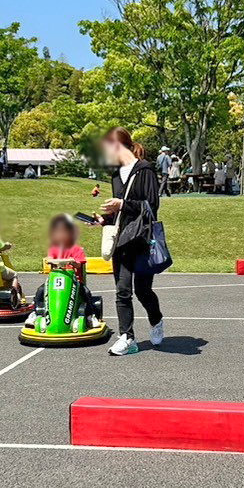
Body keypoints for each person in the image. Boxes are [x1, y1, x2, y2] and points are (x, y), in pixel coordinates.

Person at [98, 127, 165, 356]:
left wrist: (122, 205)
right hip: (123, 238)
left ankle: (156, 320)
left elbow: (151, 206)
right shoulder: (116, 174)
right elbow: (119, 210)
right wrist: (103, 218)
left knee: (143, 290)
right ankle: (127, 337)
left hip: (143, 237)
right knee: (122, 290)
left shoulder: (144, 170)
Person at [34, 214, 96, 322]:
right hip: (56, 280)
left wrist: (72, 262)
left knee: (85, 292)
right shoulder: (54, 248)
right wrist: (52, 260)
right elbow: (49, 258)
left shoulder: (77, 249)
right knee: (40, 291)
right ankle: (35, 313)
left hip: (74, 280)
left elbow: (79, 264)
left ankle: (91, 315)